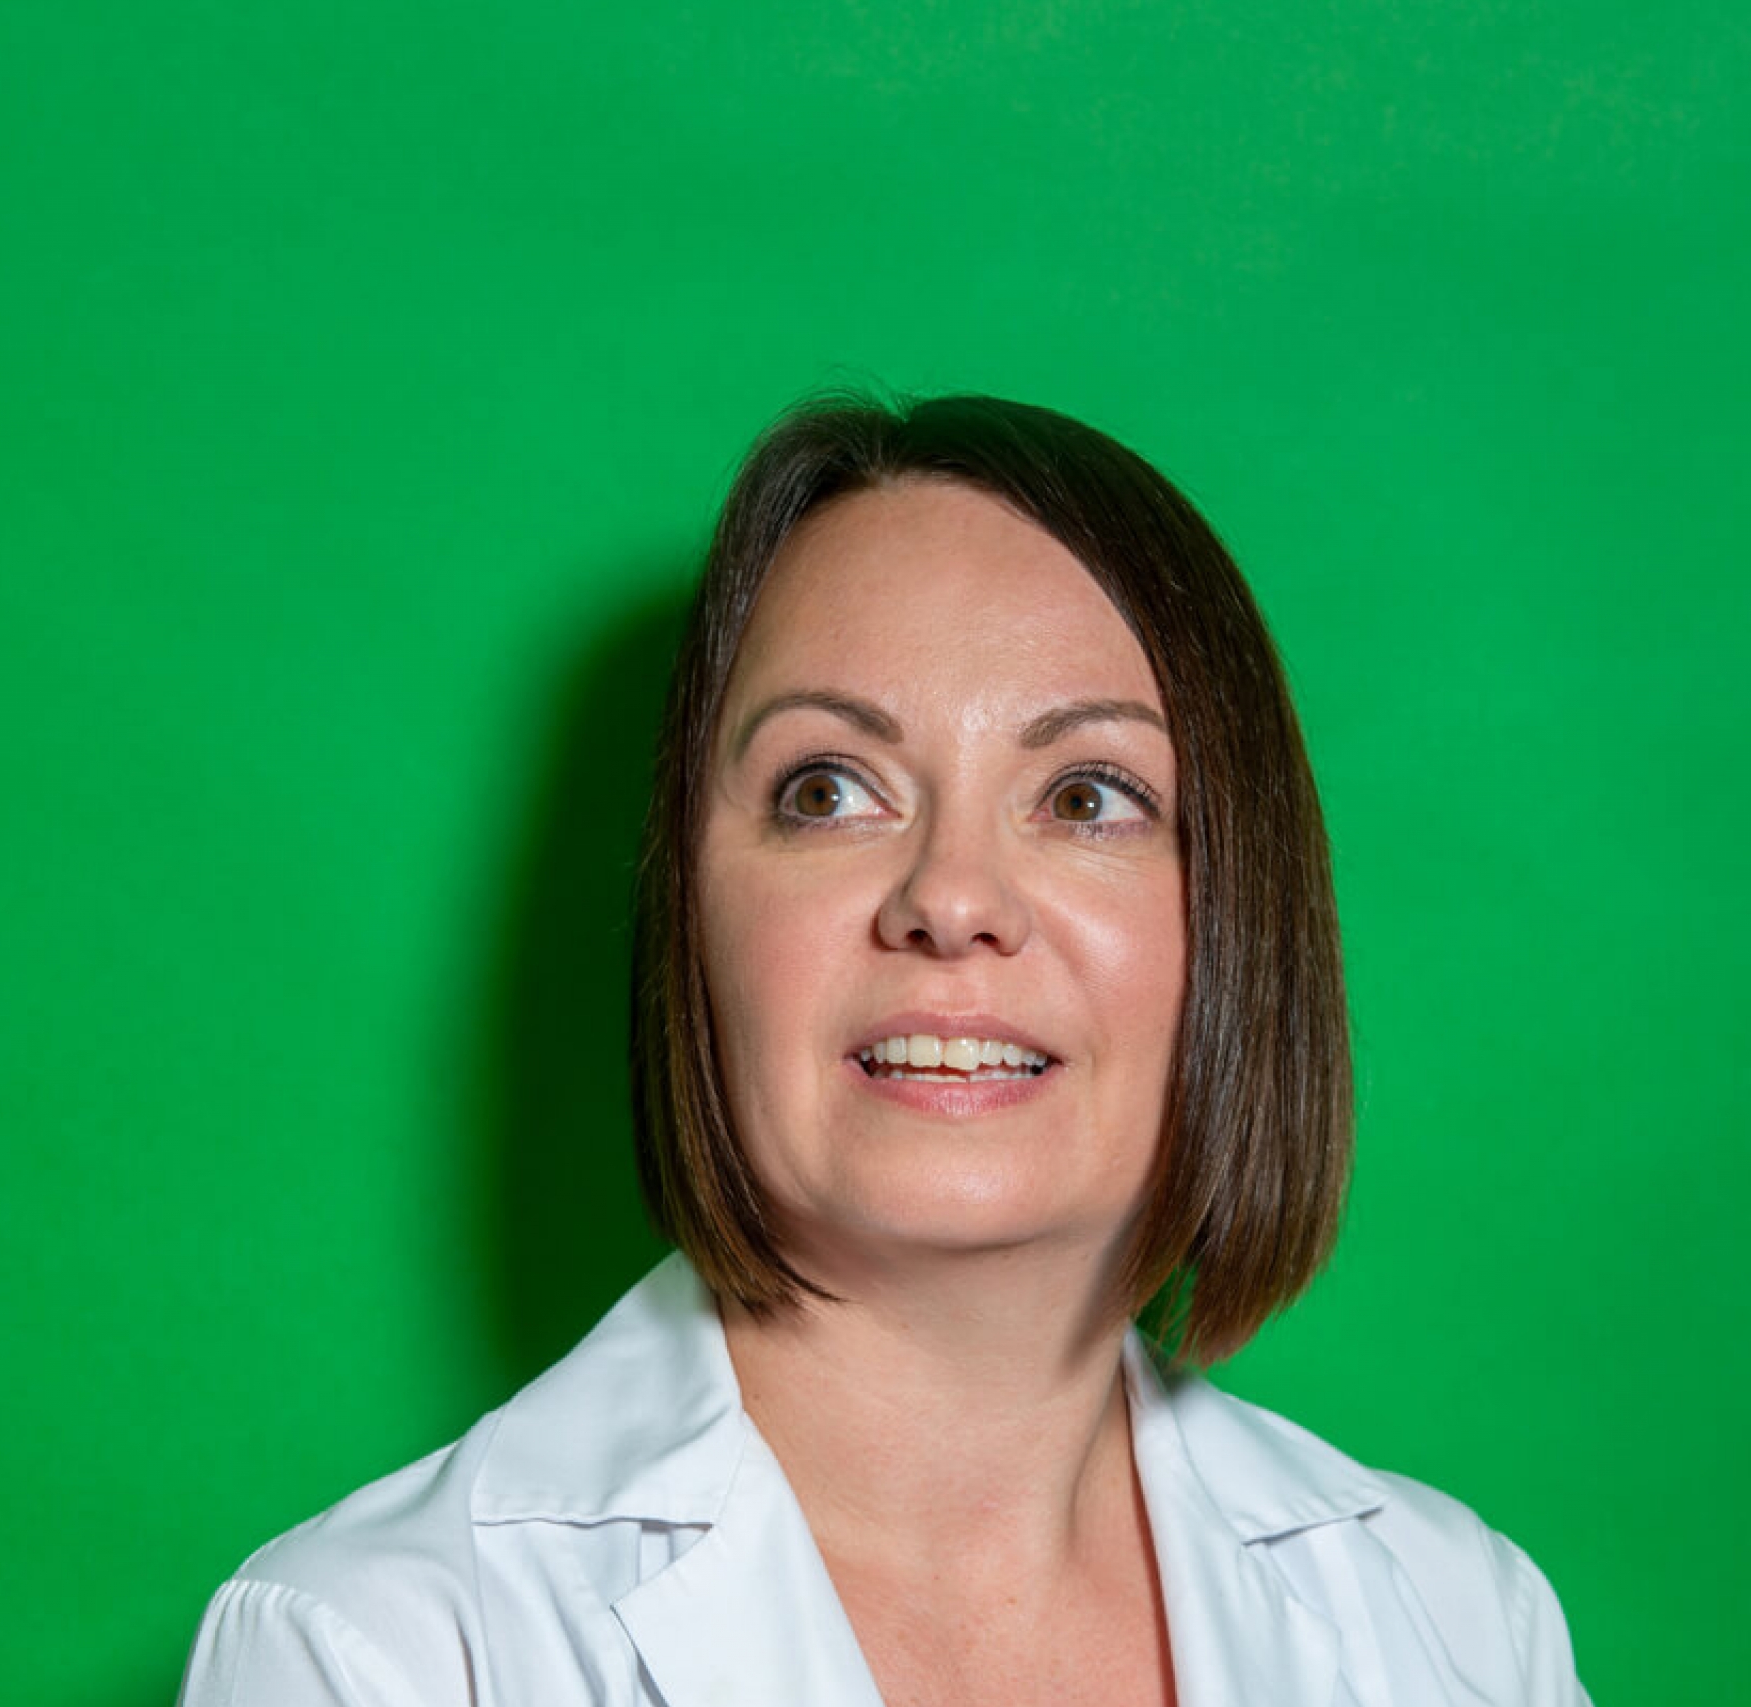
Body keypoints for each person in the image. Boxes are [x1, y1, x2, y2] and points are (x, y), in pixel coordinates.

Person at [177, 394, 1589, 1706]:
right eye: (828, 790)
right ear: (692, 920)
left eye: (1087, 796)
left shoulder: (1465, 1623)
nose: (951, 899)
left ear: (1245, 925)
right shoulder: (372, 1653)